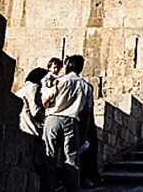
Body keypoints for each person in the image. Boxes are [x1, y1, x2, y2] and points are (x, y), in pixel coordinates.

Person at [41, 54, 93, 192]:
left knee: (49, 156)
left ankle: (48, 188)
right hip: (72, 121)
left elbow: (45, 101)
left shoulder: (60, 81)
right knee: (71, 160)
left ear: (68, 65)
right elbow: (87, 113)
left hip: (53, 118)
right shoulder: (86, 86)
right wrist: (84, 134)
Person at [16, 67, 48, 136]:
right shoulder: (34, 87)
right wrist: (47, 118)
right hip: (30, 128)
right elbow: (35, 111)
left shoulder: (21, 91)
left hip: (21, 127)